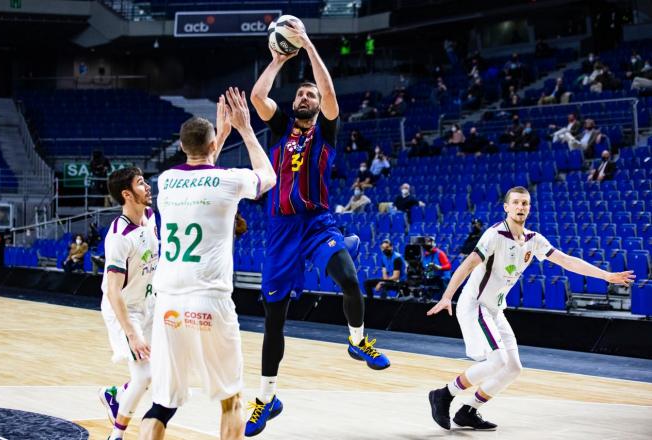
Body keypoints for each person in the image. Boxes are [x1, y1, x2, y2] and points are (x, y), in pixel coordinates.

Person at [247, 22, 390, 437]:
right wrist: (276, 62)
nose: (306, 97)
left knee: (348, 278)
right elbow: (258, 97)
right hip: (281, 229)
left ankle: (358, 340)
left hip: (317, 221)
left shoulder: (326, 129)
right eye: (301, 94)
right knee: (275, 321)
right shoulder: (280, 129)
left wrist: (307, 43)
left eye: (310, 94)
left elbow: (329, 94)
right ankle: (266, 398)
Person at [427, 186, 634, 431]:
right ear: (506, 207)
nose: (520, 207)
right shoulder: (494, 235)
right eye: (515, 202)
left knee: (513, 367)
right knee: (496, 361)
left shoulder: (533, 239)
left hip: (495, 309)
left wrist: (606, 276)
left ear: (529, 207)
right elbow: (468, 264)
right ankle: (443, 394)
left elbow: (566, 261)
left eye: (525, 203)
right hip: (476, 305)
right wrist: (447, 296)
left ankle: (469, 410)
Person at [138, 89, 276, 440]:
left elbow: (201, 171)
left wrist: (217, 135)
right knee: (231, 400)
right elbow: (268, 175)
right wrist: (244, 129)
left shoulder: (166, 182)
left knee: (162, 404)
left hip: (168, 303)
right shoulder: (229, 179)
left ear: (182, 147)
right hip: (209, 300)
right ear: (214, 145)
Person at [98, 167, 158, 440]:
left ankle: (117, 394)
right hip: (123, 309)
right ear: (127, 194)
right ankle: (116, 435)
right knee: (144, 375)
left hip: (149, 304)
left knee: (160, 370)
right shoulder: (119, 236)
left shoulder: (151, 218)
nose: (147, 187)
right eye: (141, 183)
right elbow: (113, 291)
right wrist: (132, 334)